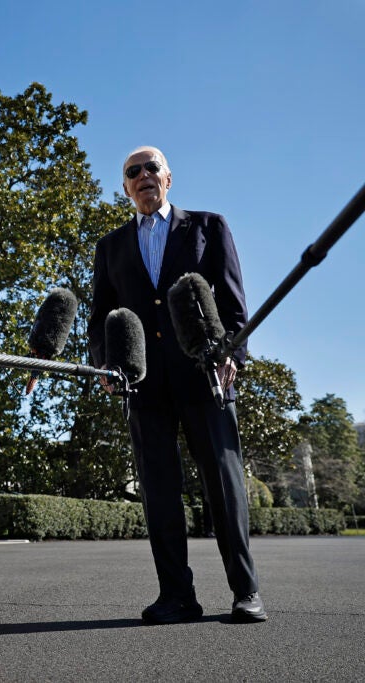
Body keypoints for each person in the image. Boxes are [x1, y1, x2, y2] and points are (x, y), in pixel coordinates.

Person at [87, 145, 266, 625]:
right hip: (144, 386)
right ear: (125, 187)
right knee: (159, 492)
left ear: (169, 179)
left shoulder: (209, 226)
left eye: (152, 168)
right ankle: (177, 596)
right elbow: (99, 317)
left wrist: (235, 355)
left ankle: (246, 592)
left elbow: (232, 304)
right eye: (133, 172)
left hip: (205, 377)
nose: (143, 175)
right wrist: (106, 365)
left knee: (225, 489)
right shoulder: (110, 247)